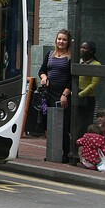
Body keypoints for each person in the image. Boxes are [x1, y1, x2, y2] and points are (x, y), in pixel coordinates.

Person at [38, 28, 73, 163]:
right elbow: (42, 70)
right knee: (51, 125)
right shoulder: (50, 54)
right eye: (59, 39)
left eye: (64, 39)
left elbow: (72, 78)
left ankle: (66, 154)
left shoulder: (70, 57)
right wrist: (44, 77)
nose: (61, 42)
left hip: (63, 95)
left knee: (63, 126)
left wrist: (65, 94)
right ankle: (53, 153)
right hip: (50, 94)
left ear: (68, 41)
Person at [76, 41, 100, 139]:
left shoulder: (96, 64)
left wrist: (81, 93)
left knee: (85, 122)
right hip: (76, 93)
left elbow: (94, 84)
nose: (82, 50)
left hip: (87, 97)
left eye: (85, 48)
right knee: (76, 122)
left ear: (91, 51)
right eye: (81, 47)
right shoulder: (78, 62)